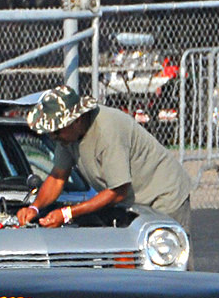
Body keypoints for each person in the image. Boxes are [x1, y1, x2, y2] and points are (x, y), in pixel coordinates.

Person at [15, 86, 195, 234]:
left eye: (57, 130)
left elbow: (118, 191)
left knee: (165, 258)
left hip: (163, 196)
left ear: (76, 120)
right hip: (132, 203)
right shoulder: (66, 137)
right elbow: (57, 177)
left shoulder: (107, 131)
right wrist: (35, 208)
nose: (53, 137)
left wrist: (68, 213)